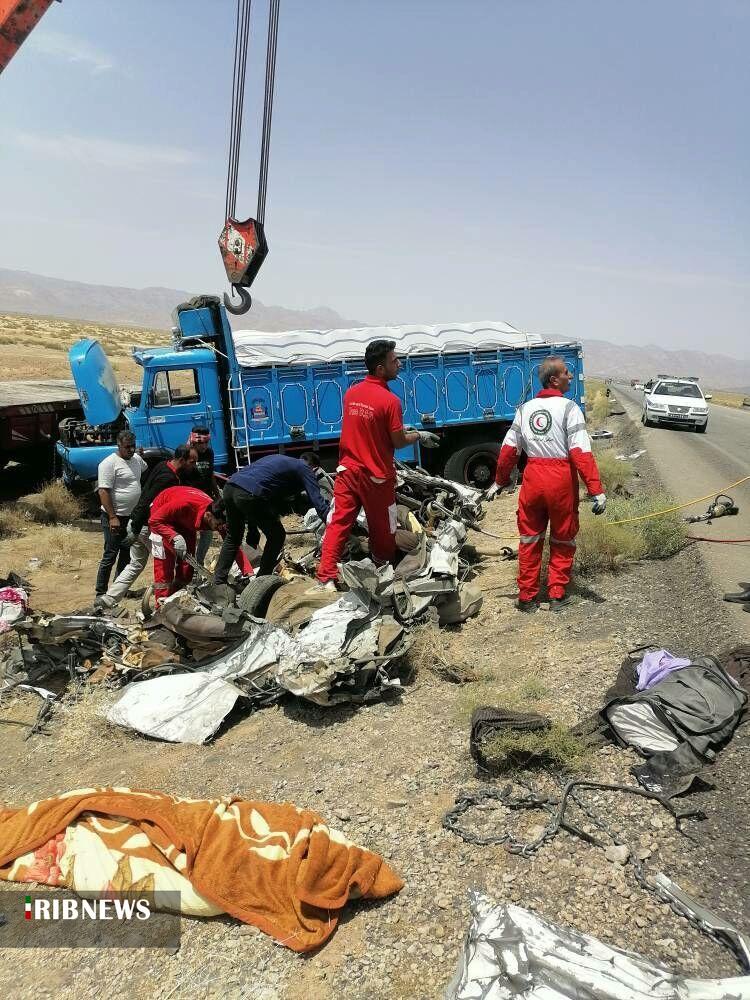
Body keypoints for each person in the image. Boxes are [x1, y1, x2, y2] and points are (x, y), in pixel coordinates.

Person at [316, 339, 438, 588]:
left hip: (348, 472)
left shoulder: (352, 394)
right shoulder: (390, 401)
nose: (399, 364)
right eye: (394, 361)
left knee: (338, 523)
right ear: (381, 368)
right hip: (376, 478)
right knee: (383, 530)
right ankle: (382, 573)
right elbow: (398, 440)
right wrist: (418, 435)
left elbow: (368, 427)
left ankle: (326, 577)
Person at [489, 355, 606, 612]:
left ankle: (527, 597)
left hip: (533, 478)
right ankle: (556, 594)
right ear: (554, 379)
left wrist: (499, 481)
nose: (571, 376)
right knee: (563, 538)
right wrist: (595, 489)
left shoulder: (524, 409)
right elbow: (581, 453)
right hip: (560, 479)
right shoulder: (569, 408)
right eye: (566, 372)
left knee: (529, 538)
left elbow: (509, 450)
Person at [95, 445, 198, 608]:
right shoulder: (168, 478)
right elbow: (148, 500)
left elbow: (144, 490)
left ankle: (108, 599)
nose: (194, 466)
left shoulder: (162, 465)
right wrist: (135, 526)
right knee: (166, 561)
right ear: (181, 460)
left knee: (136, 564)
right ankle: (166, 603)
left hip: (140, 523)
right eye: (192, 462)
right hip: (148, 527)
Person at [214, 452, 330, 583]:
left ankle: (218, 582)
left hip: (230, 487)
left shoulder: (280, 461)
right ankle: (261, 581)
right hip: (248, 493)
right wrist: (335, 525)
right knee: (277, 535)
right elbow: (318, 502)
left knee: (233, 537)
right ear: (314, 468)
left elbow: (257, 488)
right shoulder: (305, 468)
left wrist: (253, 530)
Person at [148, 485, 253, 605]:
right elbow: (154, 520)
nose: (219, 529)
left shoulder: (218, 516)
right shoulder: (184, 504)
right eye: (218, 525)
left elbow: (233, 546)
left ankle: (176, 600)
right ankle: (160, 608)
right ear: (208, 516)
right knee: (164, 568)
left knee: (187, 569)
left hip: (185, 522)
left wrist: (248, 572)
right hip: (161, 518)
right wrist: (173, 536)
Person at [94, 430, 147, 599]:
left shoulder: (136, 460)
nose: (131, 450)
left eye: (133, 446)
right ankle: (101, 592)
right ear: (119, 446)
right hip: (115, 518)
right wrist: (112, 517)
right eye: (127, 447)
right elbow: (103, 492)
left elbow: (142, 470)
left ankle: (120, 588)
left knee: (126, 552)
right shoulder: (108, 464)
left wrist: (140, 454)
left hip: (132, 517)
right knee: (110, 554)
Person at [182, 427, 218, 565]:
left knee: (207, 533)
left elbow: (211, 474)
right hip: (190, 501)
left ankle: (199, 563)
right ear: (193, 442)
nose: (204, 446)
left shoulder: (209, 453)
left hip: (206, 498)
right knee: (189, 534)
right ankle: (187, 566)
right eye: (201, 443)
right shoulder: (186, 454)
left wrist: (216, 495)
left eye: (206, 443)